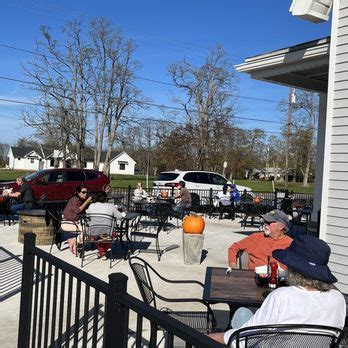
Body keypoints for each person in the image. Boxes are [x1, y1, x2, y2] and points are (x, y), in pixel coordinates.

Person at [209, 235, 346, 345]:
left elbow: (242, 338)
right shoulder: (337, 298)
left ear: (293, 269)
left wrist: (217, 336)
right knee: (243, 313)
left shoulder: (282, 296)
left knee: (240, 315)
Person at [228, 209, 293, 270]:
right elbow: (234, 247)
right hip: (253, 278)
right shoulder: (256, 237)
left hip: (279, 280)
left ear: (280, 227)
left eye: (268, 222)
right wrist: (233, 265)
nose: (265, 224)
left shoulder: (291, 244)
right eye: (265, 221)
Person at [85, 191, 125, 258]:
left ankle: (102, 252)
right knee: (110, 235)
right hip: (107, 234)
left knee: (100, 235)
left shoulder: (91, 206)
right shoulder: (111, 206)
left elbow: (87, 216)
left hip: (92, 233)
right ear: (106, 198)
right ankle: (103, 252)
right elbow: (120, 216)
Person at [61, 185, 93, 254]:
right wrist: (87, 201)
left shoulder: (78, 199)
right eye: (83, 192)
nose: (85, 194)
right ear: (78, 192)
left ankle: (74, 242)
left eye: (86, 192)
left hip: (73, 221)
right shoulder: (75, 199)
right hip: (67, 222)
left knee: (86, 230)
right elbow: (77, 210)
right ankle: (74, 241)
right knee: (85, 231)